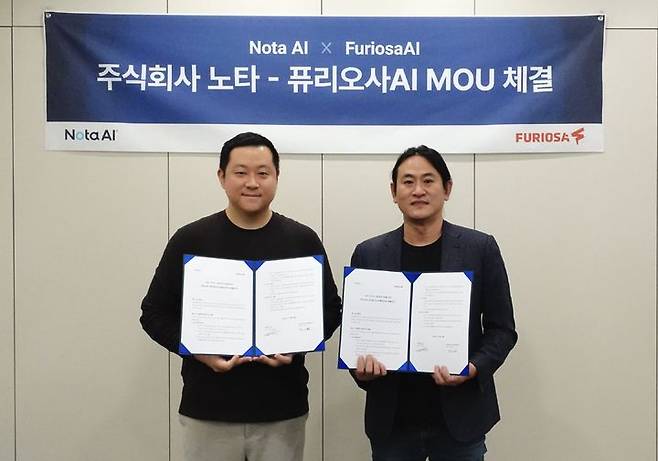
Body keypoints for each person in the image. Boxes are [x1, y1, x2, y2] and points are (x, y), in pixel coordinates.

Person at [140, 132, 341, 461]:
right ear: (221, 177)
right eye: (240, 172)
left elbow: (331, 310)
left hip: (282, 410)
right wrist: (197, 351)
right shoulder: (191, 240)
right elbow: (153, 313)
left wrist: (295, 346)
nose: (252, 183)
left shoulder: (301, 241)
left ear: (277, 176)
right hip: (207, 410)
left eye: (263, 173)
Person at [350, 145, 517, 461]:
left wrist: (473, 367)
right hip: (393, 422)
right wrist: (361, 371)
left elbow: (502, 330)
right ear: (394, 192)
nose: (418, 190)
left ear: (447, 189)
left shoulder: (480, 248)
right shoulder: (369, 254)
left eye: (428, 181)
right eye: (408, 181)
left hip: (460, 420)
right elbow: (358, 334)